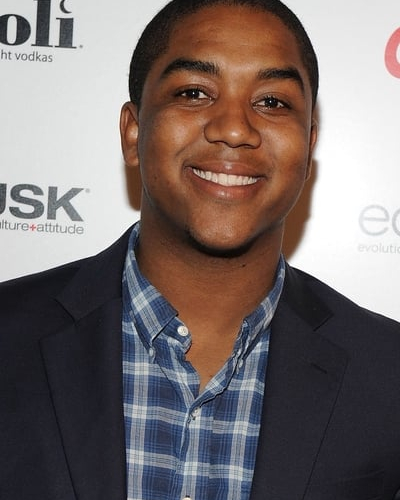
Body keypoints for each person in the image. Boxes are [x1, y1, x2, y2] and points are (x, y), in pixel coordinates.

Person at [1, 0, 400, 498]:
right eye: (193, 93)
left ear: (309, 144)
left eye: (272, 102)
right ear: (133, 132)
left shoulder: (387, 375)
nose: (234, 129)